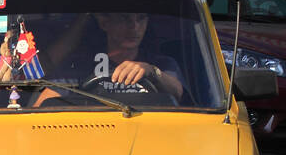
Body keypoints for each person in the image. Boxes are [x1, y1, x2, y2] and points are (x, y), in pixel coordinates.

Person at [37, 11, 184, 105]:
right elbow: (41, 108)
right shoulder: (80, 67)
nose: (134, 27)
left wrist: (151, 71)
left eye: (141, 19)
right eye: (125, 18)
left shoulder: (162, 64)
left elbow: (178, 93)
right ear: (104, 23)